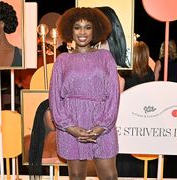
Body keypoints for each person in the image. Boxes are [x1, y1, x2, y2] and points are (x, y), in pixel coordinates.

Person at [49, 7, 120, 180]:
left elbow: (113, 94)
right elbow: (54, 97)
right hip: (71, 122)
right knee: (76, 175)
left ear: (95, 30)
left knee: (109, 175)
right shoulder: (62, 60)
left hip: (101, 122)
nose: (82, 32)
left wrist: (103, 125)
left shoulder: (105, 57)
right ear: (70, 31)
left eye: (87, 27)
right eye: (77, 27)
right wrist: (69, 127)